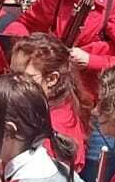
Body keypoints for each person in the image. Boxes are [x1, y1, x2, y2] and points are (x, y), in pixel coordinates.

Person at [10, 32, 89, 164]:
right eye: (11, 74)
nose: (13, 83)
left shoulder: (55, 129)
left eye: (24, 77)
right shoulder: (41, 107)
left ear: (52, 79)